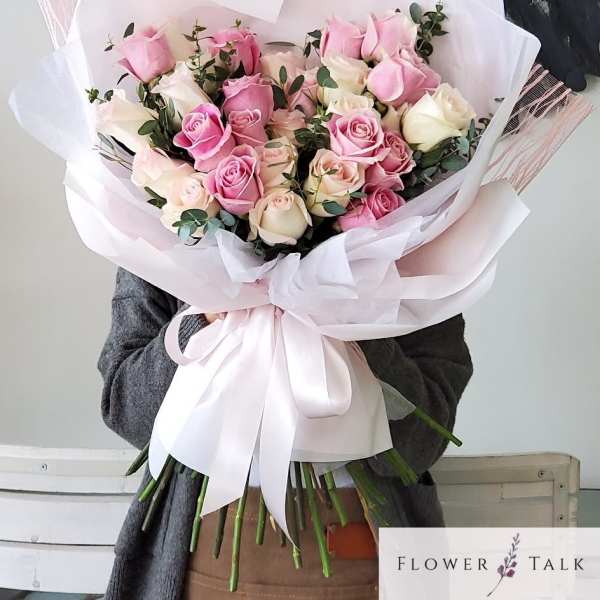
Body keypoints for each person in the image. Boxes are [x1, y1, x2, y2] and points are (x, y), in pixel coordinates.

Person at [98, 268, 473, 600]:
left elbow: (423, 440)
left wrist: (349, 316)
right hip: (200, 545)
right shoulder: (162, 238)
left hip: (360, 547)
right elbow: (126, 409)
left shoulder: (415, 248)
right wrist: (203, 317)